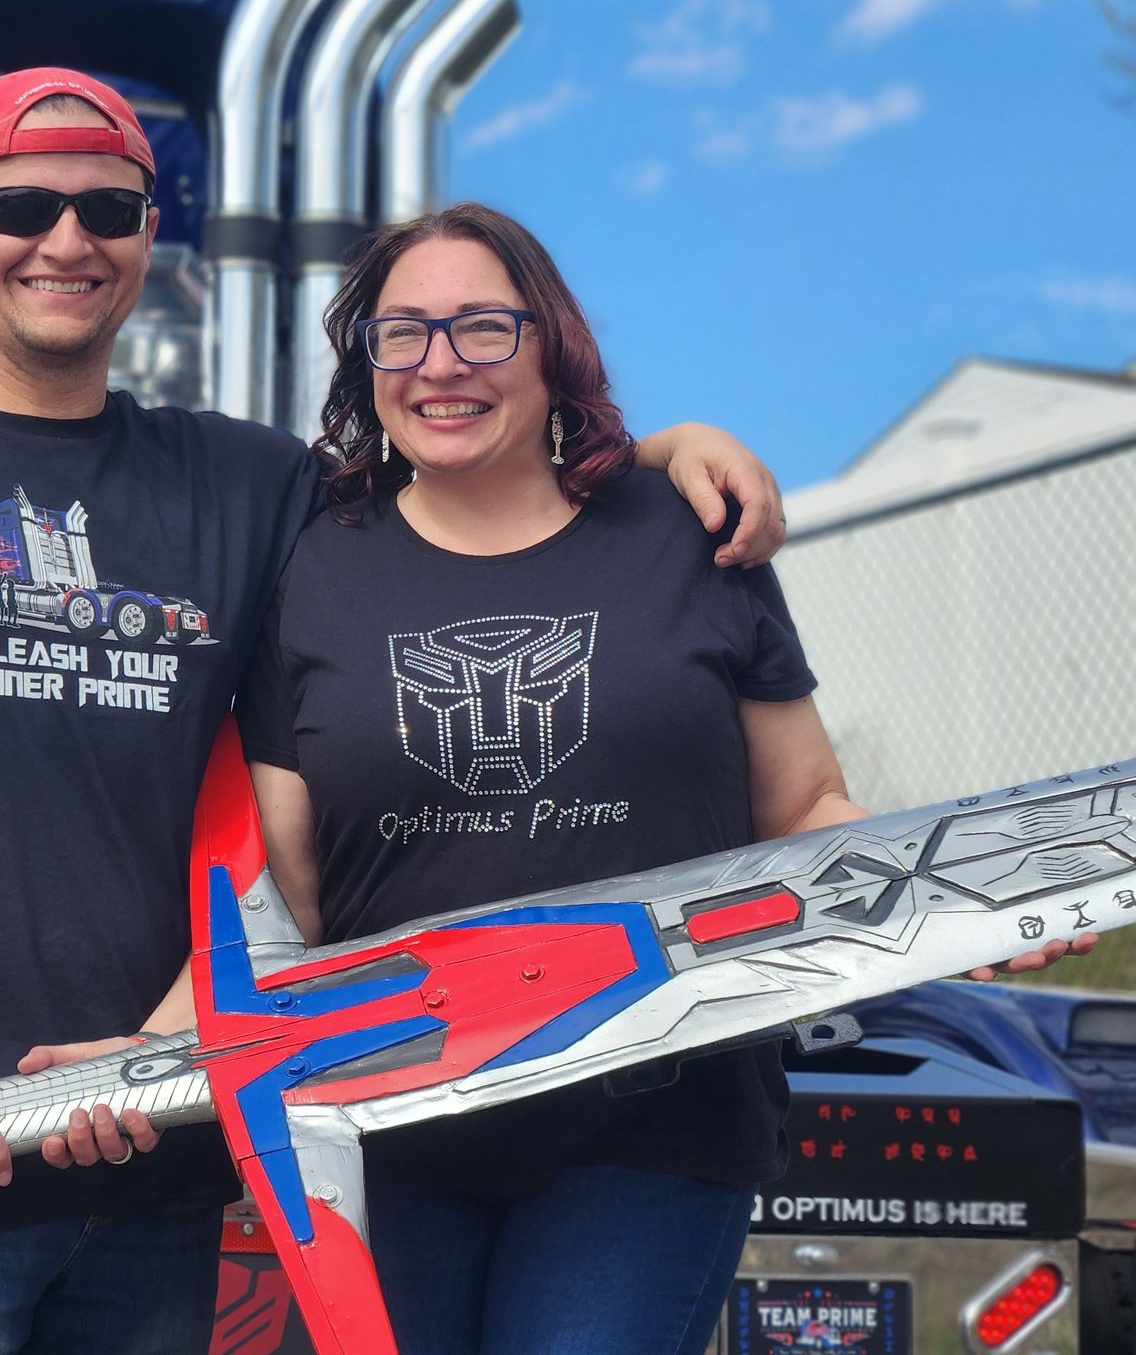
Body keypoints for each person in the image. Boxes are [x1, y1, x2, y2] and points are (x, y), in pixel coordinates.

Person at [0, 70, 790, 1355]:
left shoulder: (245, 483)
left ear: (146, 239)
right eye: (22, 208)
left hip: (158, 1165)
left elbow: (465, 470)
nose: (67, 240)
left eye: (108, 209)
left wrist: (663, 454)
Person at [234, 201, 1093, 1355]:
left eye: (484, 327)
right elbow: (283, 892)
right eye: (404, 332)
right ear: (367, 359)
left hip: (654, 1118)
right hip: (387, 1118)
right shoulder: (309, 567)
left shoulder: (687, 534)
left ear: (552, 345)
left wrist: (959, 900)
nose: (441, 364)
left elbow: (804, 806)